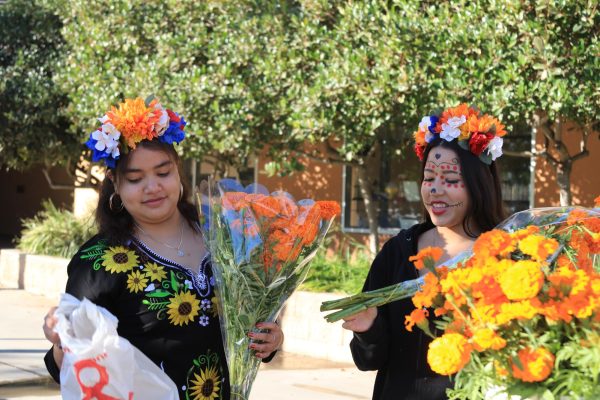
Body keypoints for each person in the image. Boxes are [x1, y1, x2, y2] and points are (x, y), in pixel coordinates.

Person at [42, 96, 283, 400]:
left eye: (163, 172)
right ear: (115, 184)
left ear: (178, 172)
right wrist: (62, 338)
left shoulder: (225, 236)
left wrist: (270, 340)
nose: (152, 187)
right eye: (135, 178)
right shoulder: (100, 261)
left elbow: (250, 322)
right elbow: (68, 367)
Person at [341, 104, 507, 400]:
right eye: (429, 178)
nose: (435, 189)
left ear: (478, 186)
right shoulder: (397, 252)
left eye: (451, 181)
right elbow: (367, 360)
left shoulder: (506, 255)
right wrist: (368, 330)